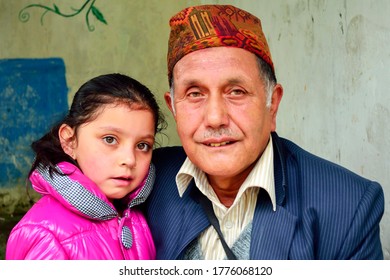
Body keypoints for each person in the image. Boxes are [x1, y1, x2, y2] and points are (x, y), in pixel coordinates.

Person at [145, 4, 385, 260]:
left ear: (273, 104)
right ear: (173, 108)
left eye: (236, 91)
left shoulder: (346, 205)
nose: (215, 118)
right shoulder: (142, 182)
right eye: (194, 94)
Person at [6, 73, 166, 260]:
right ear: (70, 141)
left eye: (142, 145)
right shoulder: (45, 235)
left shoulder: (136, 215)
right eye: (110, 139)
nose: (129, 160)